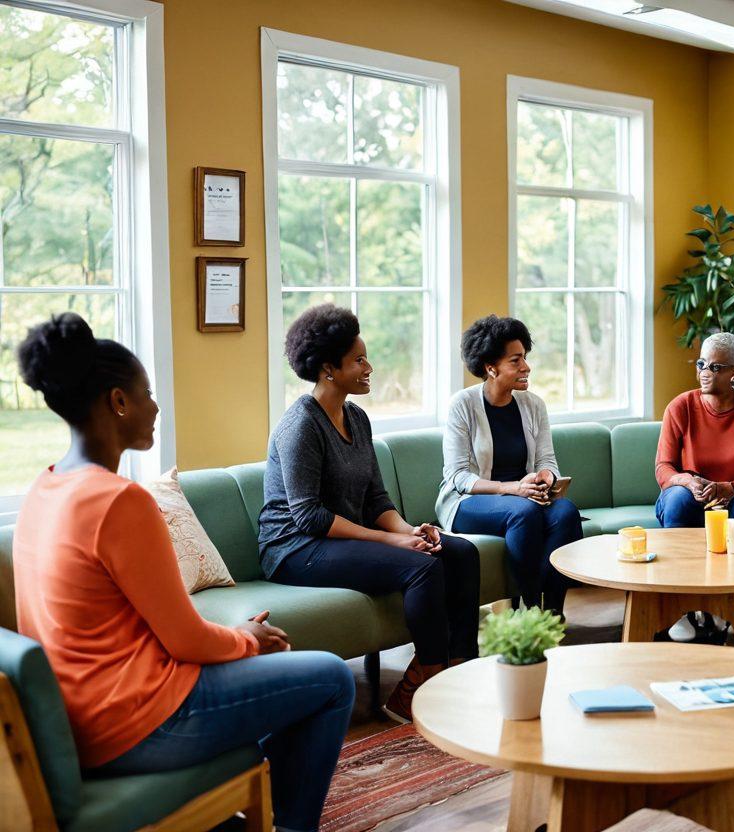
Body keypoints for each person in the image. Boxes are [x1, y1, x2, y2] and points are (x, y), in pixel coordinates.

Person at [12, 313, 354, 832]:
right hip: (137, 723)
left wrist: (236, 640)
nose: (155, 405)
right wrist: (245, 639)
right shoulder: (120, 501)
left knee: (275, 679)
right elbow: (185, 640)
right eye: (146, 392)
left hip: (78, 721)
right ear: (117, 402)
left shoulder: (45, 488)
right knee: (331, 678)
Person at [261, 304, 480, 724]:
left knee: (460, 553)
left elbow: (376, 497)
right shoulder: (300, 426)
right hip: (294, 548)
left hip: (336, 539)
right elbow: (308, 517)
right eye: (358, 360)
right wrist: (393, 541)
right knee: (422, 568)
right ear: (328, 368)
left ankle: (460, 667)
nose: (369, 367)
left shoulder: (357, 418)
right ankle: (418, 686)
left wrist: (411, 530)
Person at [438, 314, 582, 615]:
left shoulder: (534, 405)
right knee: (524, 512)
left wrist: (546, 476)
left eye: (525, 358)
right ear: (491, 368)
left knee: (567, 512)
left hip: (525, 497)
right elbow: (458, 476)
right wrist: (513, 488)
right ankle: (530, 610)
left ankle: (552, 613)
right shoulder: (462, 405)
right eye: (515, 361)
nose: (526, 367)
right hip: (470, 501)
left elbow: (547, 460)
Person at [655, 332, 734, 642]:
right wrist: (688, 480)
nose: (704, 372)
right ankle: (680, 608)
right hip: (690, 495)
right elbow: (664, 469)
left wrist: (730, 487)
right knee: (678, 501)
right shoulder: (680, 406)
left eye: (715, 367)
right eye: (701, 364)